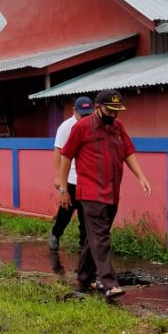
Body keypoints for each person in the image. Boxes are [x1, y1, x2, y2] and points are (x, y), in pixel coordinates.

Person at [58, 90, 151, 298]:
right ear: (98, 108)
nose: (114, 115)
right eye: (110, 110)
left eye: (117, 111)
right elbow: (65, 156)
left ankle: (84, 277)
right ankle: (108, 282)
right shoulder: (82, 128)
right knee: (101, 237)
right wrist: (63, 188)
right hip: (90, 193)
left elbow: (128, 151)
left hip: (112, 192)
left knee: (95, 238)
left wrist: (141, 176)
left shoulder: (117, 127)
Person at [49, 96, 93, 251]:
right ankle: (56, 234)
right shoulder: (66, 127)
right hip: (71, 178)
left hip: (87, 180)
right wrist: (59, 178)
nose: (85, 118)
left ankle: (84, 245)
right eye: (82, 114)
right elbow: (58, 152)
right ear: (74, 110)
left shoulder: (93, 125)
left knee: (85, 214)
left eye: (88, 114)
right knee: (66, 210)